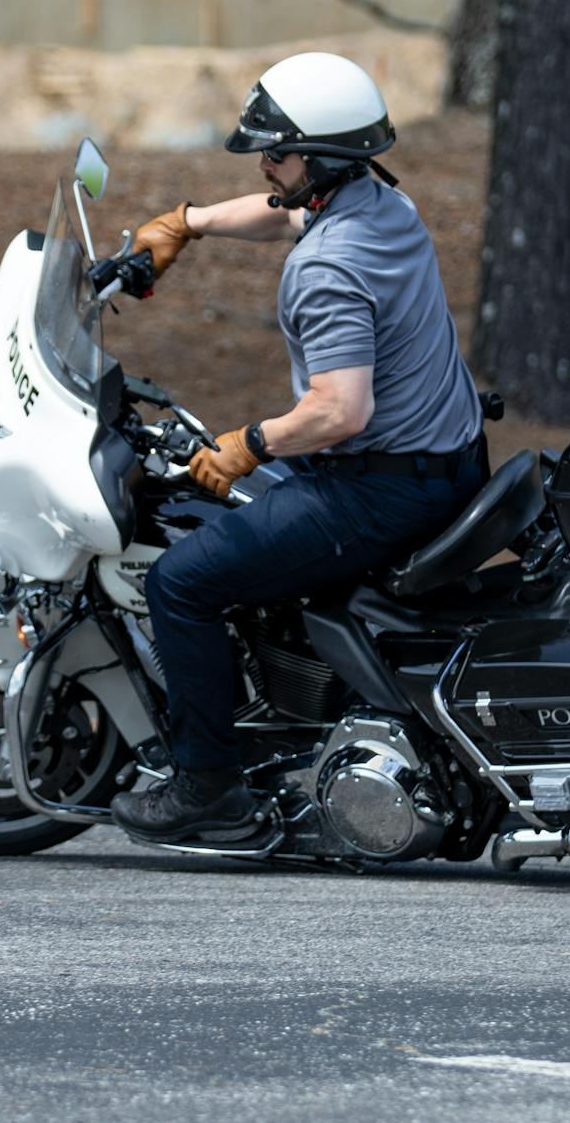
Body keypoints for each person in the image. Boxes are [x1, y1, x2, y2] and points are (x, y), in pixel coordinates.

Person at [109, 52, 486, 843]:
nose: (264, 164)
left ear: (318, 158)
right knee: (216, 510)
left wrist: (248, 443)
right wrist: (190, 222)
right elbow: (287, 212)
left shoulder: (329, 269)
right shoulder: (381, 203)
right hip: (445, 455)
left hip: (381, 485)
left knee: (182, 582)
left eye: (274, 153)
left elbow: (341, 410)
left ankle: (206, 782)